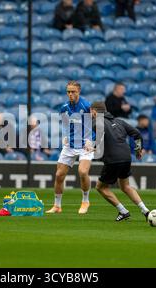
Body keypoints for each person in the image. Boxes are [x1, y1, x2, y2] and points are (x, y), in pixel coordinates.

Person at [89, 102, 150, 221]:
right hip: (126, 157)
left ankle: (123, 211)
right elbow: (137, 134)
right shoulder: (120, 121)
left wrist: (93, 146)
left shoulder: (96, 122)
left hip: (113, 159)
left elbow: (98, 138)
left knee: (101, 187)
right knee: (125, 186)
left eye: (91, 112)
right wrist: (138, 149)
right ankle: (145, 210)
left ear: (94, 111)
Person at [46, 80, 94, 214]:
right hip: (71, 144)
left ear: (79, 91)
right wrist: (66, 135)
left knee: (83, 172)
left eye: (73, 91)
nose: (70, 94)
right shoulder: (64, 107)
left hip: (86, 143)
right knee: (59, 175)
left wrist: (92, 140)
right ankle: (57, 206)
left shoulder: (87, 106)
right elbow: (66, 124)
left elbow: (97, 124)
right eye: (68, 92)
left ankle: (85, 201)